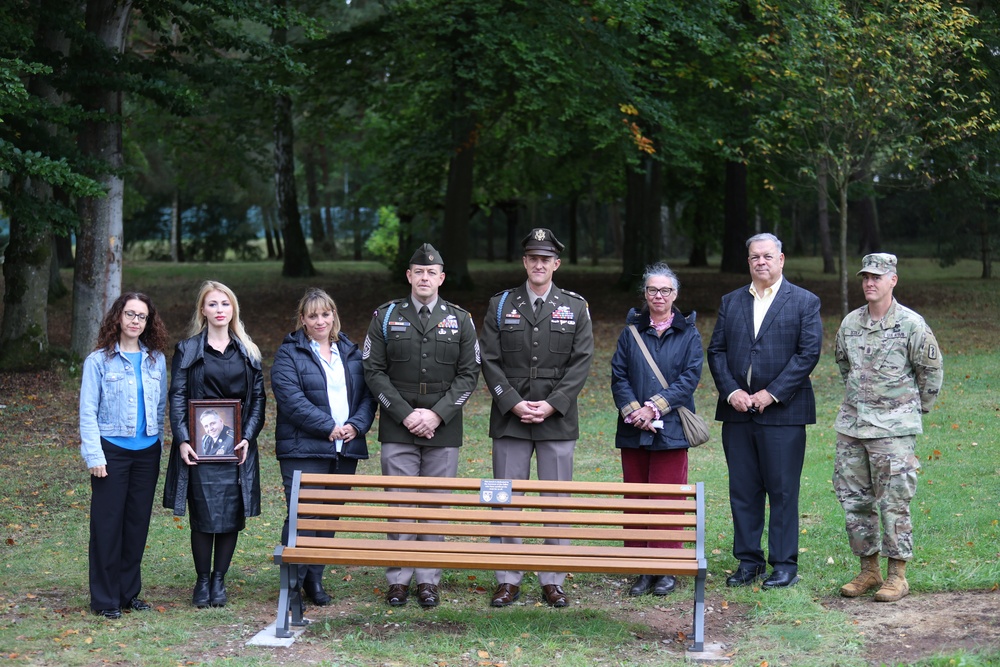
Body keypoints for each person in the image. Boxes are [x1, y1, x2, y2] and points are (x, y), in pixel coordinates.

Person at [479, 228, 594, 608]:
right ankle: (507, 577)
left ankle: (552, 578)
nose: (539, 264)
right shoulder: (500, 304)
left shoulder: (575, 306)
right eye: (533, 257)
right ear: (524, 262)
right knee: (505, 499)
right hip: (509, 417)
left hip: (556, 419)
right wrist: (510, 402)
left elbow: (581, 363)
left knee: (556, 501)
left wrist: (552, 404)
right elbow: (490, 360)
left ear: (556, 264)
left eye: (546, 258)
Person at [362, 243, 480, 608]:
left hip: (443, 425)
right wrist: (405, 413)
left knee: (435, 505)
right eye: (418, 271)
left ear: (441, 278)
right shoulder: (386, 316)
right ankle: (398, 579)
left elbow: (469, 373)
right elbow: (373, 370)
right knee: (400, 503)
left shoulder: (460, 319)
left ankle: (428, 579)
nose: (425, 277)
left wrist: (437, 414)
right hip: (399, 424)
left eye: (432, 272)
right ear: (409, 276)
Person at [707, 233, 822, 589]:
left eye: (768, 256)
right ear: (749, 262)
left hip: (783, 412)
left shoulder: (804, 301)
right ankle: (748, 562)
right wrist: (732, 392)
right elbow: (717, 352)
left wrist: (772, 393)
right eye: (755, 257)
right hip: (739, 413)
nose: (761, 262)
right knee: (743, 490)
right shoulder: (731, 301)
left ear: (781, 259)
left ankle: (784, 564)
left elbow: (808, 353)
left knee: (783, 491)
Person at [833, 253, 943, 602]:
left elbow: (931, 373)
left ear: (893, 280)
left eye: (877, 277)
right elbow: (843, 365)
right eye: (866, 277)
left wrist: (911, 411)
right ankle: (869, 570)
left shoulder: (911, 324)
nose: (870, 282)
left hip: (893, 431)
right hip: (853, 427)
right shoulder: (850, 323)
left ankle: (898, 575)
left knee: (894, 503)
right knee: (854, 501)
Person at [271, 288, 377, 607]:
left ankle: (313, 580)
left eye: (325, 313)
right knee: (303, 518)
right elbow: (290, 399)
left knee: (328, 518)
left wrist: (355, 426)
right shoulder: (289, 353)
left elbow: (367, 397)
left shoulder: (351, 351)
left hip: (345, 449)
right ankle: (291, 586)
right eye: (313, 315)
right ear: (302, 320)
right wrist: (328, 426)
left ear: (334, 315)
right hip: (304, 448)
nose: (320, 320)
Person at [163, 281, 266, 608]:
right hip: (199, 448)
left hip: (236, 447)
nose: (220, 309)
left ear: (232, 309)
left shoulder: (248, 351)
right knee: (203, 516)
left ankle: (219, 580)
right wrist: (182, 439)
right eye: (212, 304)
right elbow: (177, 395)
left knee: (231, 515)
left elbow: (259, 400)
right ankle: (202, 580)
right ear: (202, 310)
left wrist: (248, 435)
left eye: (225, 303)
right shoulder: (188, 349)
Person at [610, 262, 703, 597]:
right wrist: (635, 411)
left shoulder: (688, 333)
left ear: (675, 295)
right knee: (636, 497)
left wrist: (655, 407)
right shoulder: (630, 332)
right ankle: (640, 568)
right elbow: (618, 375)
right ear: (644, 294)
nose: (658, 296)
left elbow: (690, 378)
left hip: (672, 427)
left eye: (665, 290)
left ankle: (666, 568)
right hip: (633, 428)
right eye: (652, 290)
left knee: (666, 499)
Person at [79, 292, 168, 619]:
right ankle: (104, 599)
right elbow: (87, 412)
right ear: (118, 317)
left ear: (148, 322)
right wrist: (95, 455)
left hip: (147, 453)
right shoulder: (98, 361)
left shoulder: (155, 359)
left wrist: (156, 442)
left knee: (136, 525)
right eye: (130, 314)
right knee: (107, 525)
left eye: (141, 316)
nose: (135, 321)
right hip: (111, 453)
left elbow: (160, 408)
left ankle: (128, 593)